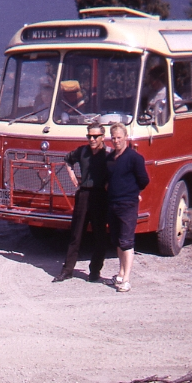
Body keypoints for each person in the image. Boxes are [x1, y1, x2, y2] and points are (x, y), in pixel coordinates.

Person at [53, 123, 109, 283]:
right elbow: (67, 160)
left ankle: (94, 272)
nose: (91, 139)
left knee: (100, 236)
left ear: (102, 137)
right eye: (89, 136)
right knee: (76, 235)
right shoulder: (82, 151)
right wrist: (72, 176)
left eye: (95, 136)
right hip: (83, 194)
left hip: (100, 196)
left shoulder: (108, 154)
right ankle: (67, 271)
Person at [104, 123, 150, 293]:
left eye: (119, 138)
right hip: (113, 203)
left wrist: (132, 192)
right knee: (117, 240)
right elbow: (108, 178)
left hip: (128, 204)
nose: (116, 141)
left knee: (126, 241)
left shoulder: (134, 158)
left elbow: (144, 180)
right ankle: (121, 273)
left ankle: (127, 280)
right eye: (113, 138)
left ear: (126, 138)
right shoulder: (110, 159)